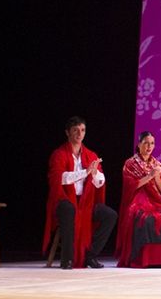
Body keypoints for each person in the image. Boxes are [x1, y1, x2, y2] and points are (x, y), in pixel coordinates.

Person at [43, 116, 117, 270]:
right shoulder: (59, 154)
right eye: (75, 130)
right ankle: (67, 259)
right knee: (68, 209)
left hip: (86, 202)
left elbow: (100, 183)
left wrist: (95, 173)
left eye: (82, 130)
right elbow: (60, 178)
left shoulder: (91, 155)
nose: (79, 134)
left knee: (110, 215)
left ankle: (90, 255)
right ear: (67, 132)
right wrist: (85, 172)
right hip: (64, 199)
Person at [116, 131, 161, 268]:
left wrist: (156, 177)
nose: (149, 146)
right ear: (139, 145)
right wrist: (149, 176)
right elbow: (131, 186)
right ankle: (145, 259)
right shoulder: (130, 164)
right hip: (136, 201)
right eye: (146, 143)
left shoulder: (157, 164)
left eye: (152, 143)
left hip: (154, 201)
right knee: (146, 219)